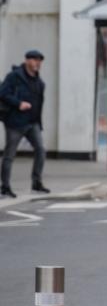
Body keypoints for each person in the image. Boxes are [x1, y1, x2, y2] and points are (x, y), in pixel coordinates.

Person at [1, 50, 50, 197]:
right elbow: (2, 93)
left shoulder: (39, 82)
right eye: (35, 60)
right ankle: (5, 186)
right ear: (27, 61)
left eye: (40, 61)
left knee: (41, 150)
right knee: (9, 155)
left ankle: (36, 183)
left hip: (32, 123)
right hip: (15, 123)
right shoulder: (14, 76)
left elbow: (39, 104)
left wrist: (39, 124)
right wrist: (18, 104)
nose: (38, 63)